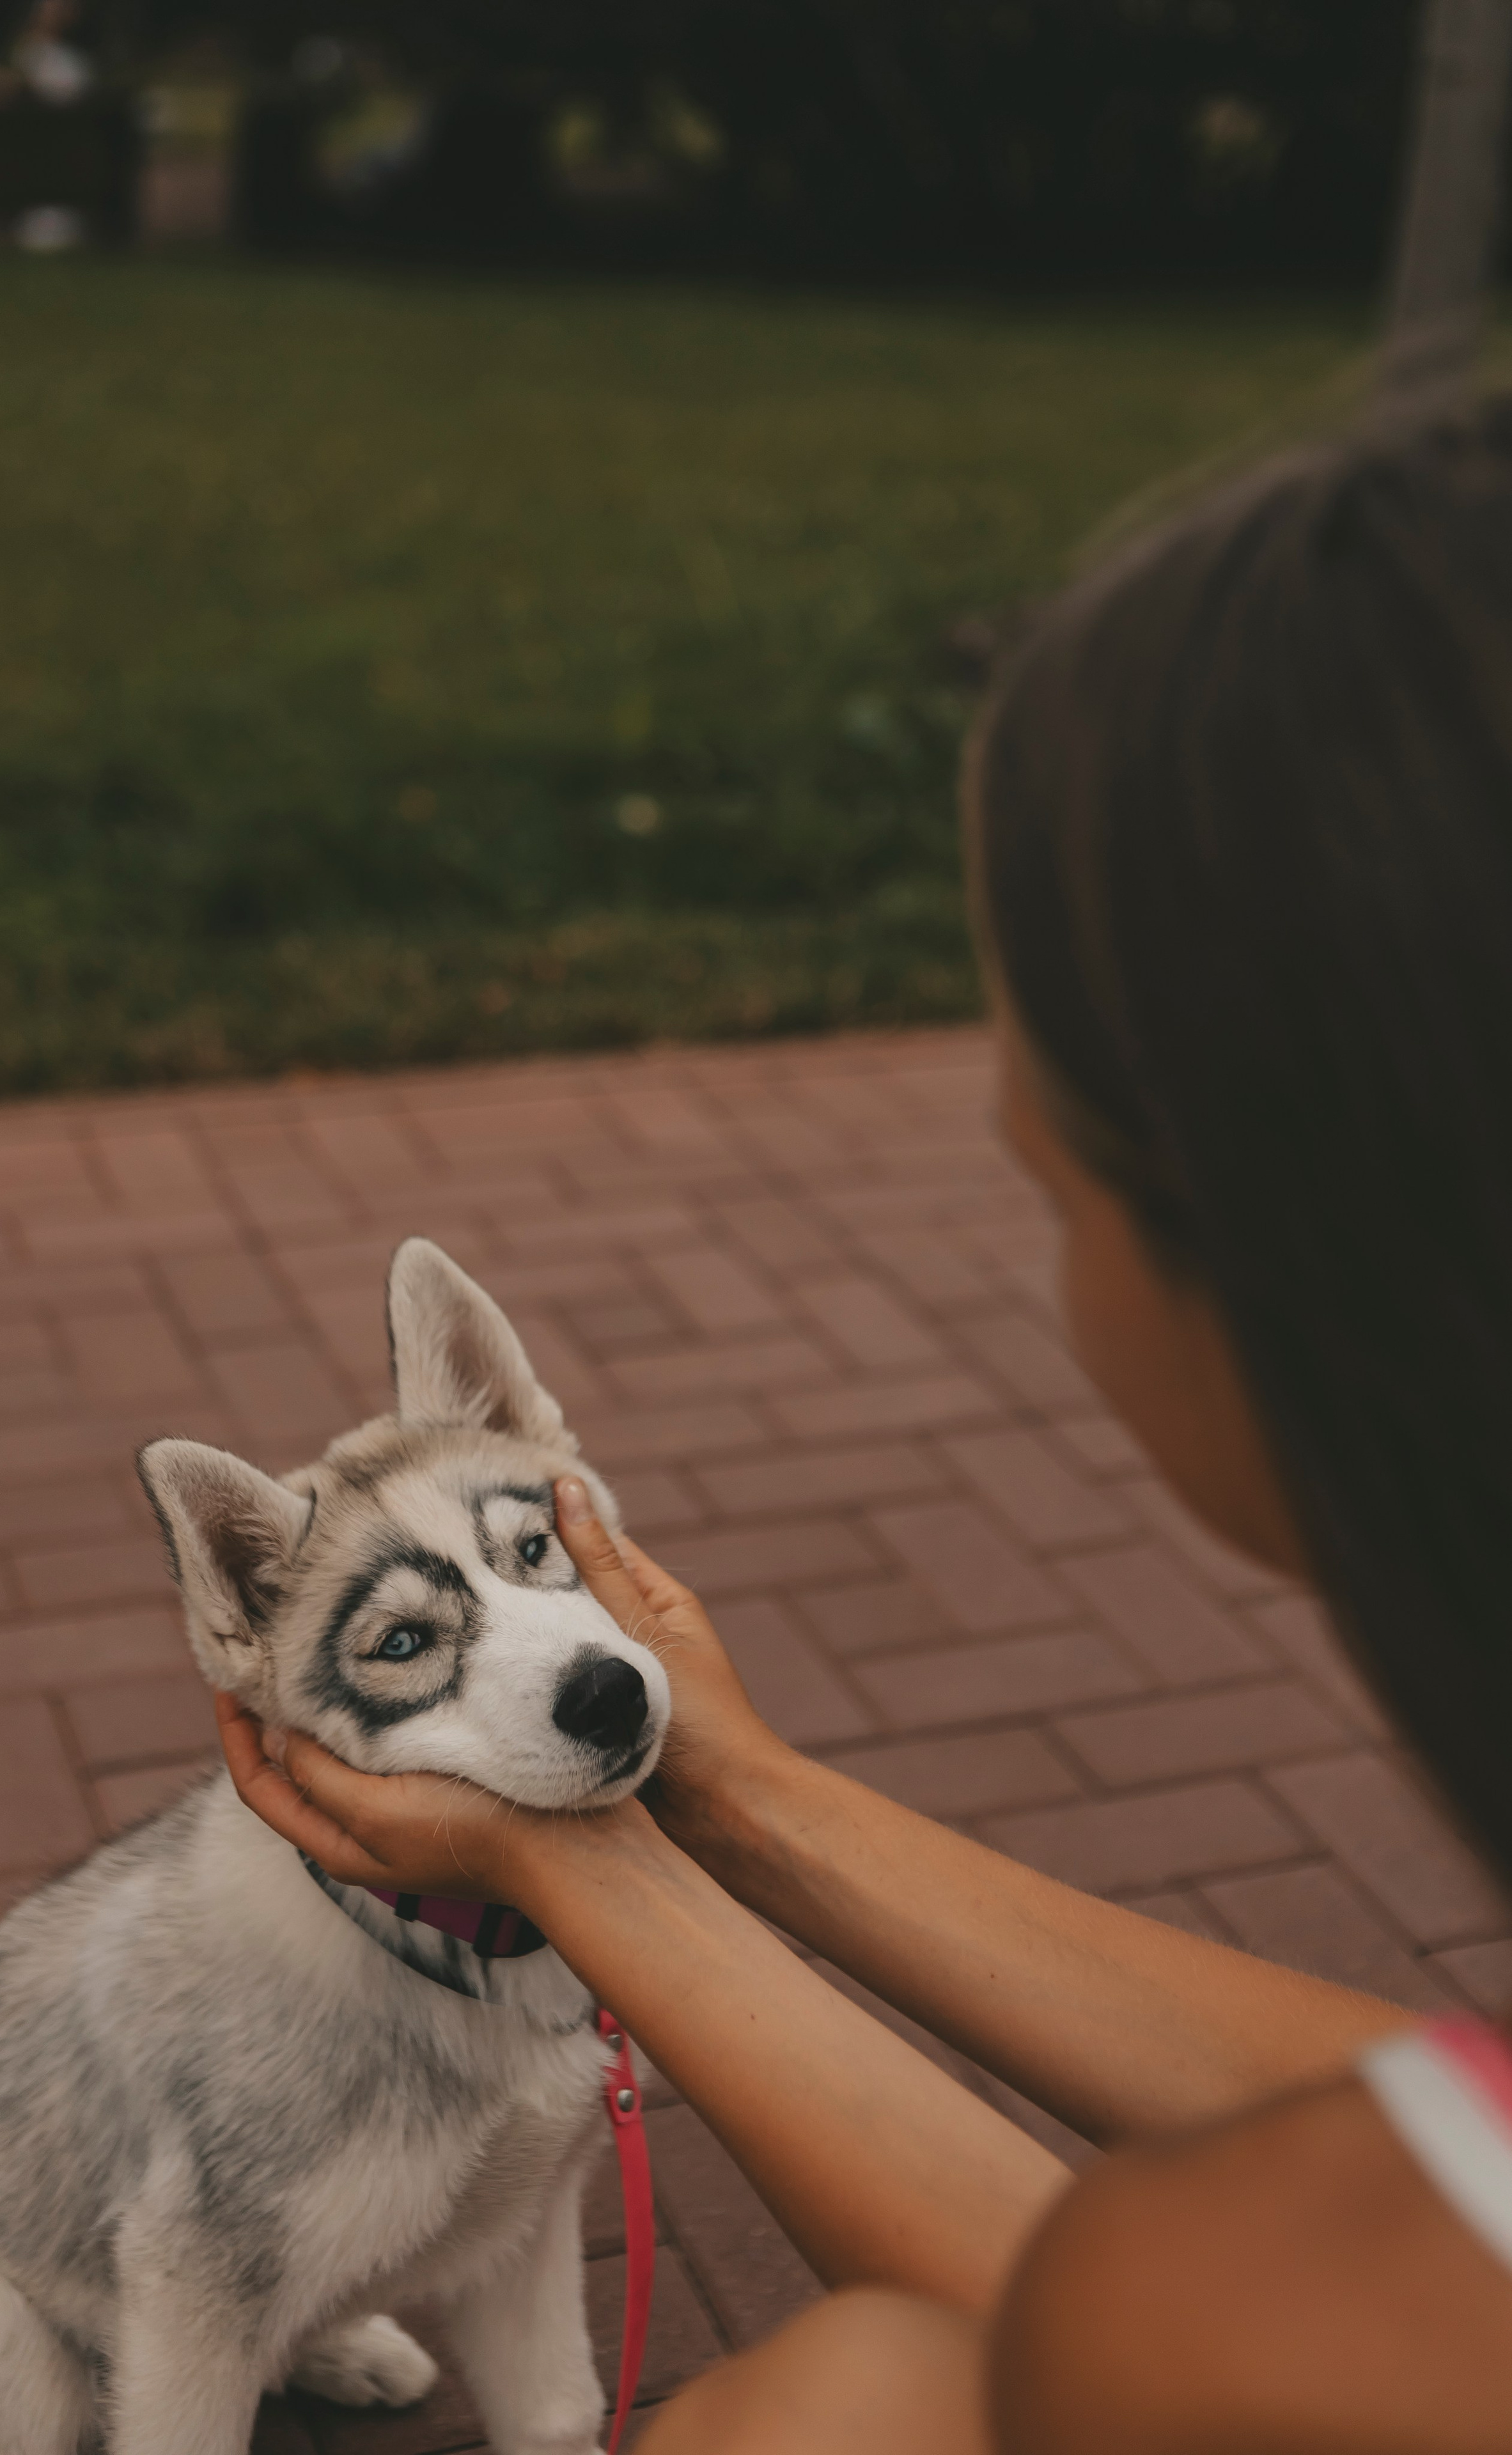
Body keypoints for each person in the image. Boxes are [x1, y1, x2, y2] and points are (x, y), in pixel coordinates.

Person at [217, 400, 1512, 2451]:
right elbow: (1441, 2139)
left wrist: (591, 1884)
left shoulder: (1244, 2326)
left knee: (823, 2410)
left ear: (1282, 1268)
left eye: (1049, 1175)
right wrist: (728, 1800)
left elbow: (1159, 2350)